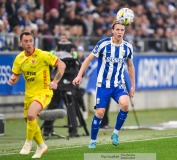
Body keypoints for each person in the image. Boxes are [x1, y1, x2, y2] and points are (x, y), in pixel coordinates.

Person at [72, 20, 135, 149]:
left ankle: (115, 133)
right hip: (103, 85)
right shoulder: (103, 44)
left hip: (118, 84)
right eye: (117, 29)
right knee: (100, 112)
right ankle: (93, 140)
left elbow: (130, 66)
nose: (119, 32)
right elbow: (88, 59)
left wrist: (132, 86)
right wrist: (79, 75)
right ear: (112, 30)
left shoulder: (127, 47)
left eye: (122, 30)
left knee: (125, 104)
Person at [8, 31, 66, 158]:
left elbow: (62, 64)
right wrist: (12, 79)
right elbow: (16, 75)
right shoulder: (19, 59)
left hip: (44, 92)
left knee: (30, 115)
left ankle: (27, 143)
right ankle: (41, 146)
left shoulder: (43, 55)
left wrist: (55, 81)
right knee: (31, 121)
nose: (29, 44)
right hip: (29, 94)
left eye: (31, 41)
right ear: (20, 42)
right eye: (26, 41)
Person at [42, 35, 82, 137]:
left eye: (65, 39)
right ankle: (47, 129)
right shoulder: (54, 53)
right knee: (53, 106)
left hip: (65, 83)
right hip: (57, 83)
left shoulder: (72, 54)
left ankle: (72, 130)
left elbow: (77, 67)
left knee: (69, 106)